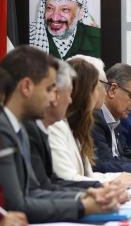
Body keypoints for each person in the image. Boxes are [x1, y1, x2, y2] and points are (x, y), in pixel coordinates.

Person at [0, 46, 124, 223]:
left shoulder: (19, 127)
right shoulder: (5, 130)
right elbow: (18, 205)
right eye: (49, 89)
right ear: (26, 87)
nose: (53, 98)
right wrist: (83, 205)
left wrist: (87, 195)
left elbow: (41, 187)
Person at [48, 56, 131, 184]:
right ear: (85, 89)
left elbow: (88, 175)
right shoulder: (56, 126)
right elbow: (67, 180)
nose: (105, 92)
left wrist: (130, 177)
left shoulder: (77, 125)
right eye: (102, 85)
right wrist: (109, 185)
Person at [24, 59, 102, 190]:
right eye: (97, 87)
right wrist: (103, 187)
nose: (70, 100)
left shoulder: (70, 126)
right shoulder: (54, 126)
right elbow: (63, 179)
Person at [29, 0, 100, 60]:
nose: (55, 17)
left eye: (65, 10)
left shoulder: (99, 40)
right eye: (50, 8)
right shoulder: (32, 37)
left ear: (80, 13)